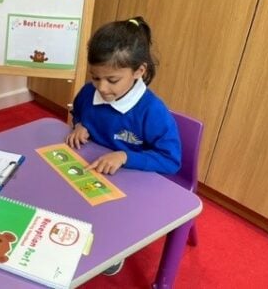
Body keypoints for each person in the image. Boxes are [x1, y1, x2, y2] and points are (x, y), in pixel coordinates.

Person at [65, 16, 181, 275]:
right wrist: (79, 125)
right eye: (95, 77)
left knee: (111, 219)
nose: (102, 88)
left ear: (139, 71)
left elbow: (171, 160)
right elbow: (80, 113)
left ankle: (113, 246)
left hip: (133, 182)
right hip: (92, 173)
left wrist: (126, 157)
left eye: (112, 80)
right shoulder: (88, 93)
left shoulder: (152, 111)